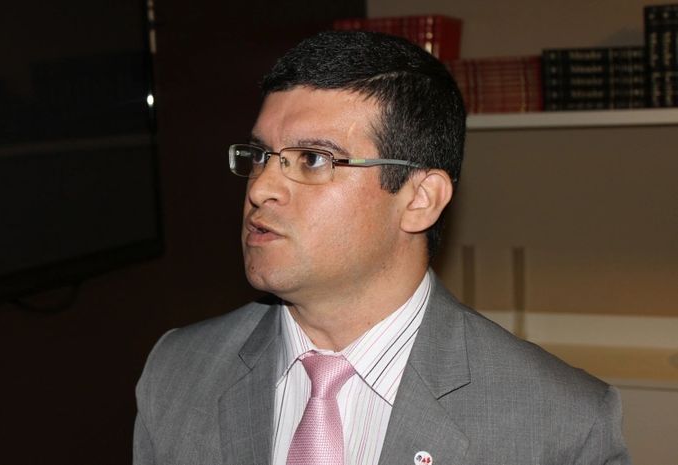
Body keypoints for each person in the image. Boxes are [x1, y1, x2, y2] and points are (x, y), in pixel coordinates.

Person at [133, 31, 631, 465]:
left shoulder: (560, 425)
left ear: (419, 199)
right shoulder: (178, 372)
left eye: (313, 158)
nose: (261, 187)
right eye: (261, 155)